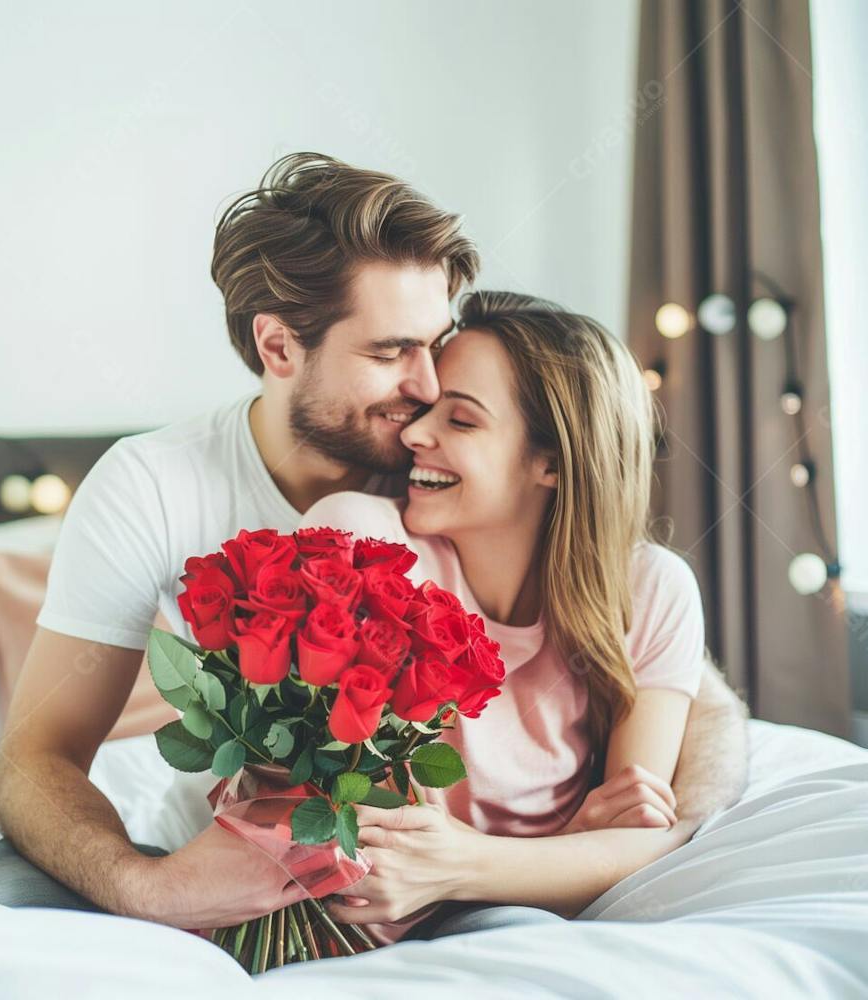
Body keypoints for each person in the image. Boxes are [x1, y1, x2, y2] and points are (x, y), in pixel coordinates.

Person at [0, 153, 749, 940]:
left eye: (436, 346)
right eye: (392, 353)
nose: (425, 391)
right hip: (210, 853)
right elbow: (38, 757)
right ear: (279, 346)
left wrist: (655, 823)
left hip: (401, 879)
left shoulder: (442, 492)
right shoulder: (155, 487)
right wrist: (146, 888)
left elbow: (662, 669)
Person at [294, 290, 732, 946]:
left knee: (522, 935)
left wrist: (467, 866)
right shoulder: (360, 542)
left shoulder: (651, 589)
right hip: (356, 921)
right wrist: (569, 850)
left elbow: (650, 836)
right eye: (424, 411)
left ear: (550, 463)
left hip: (514, 917)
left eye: (461, 421)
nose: (414, 435)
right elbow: (376, 843)